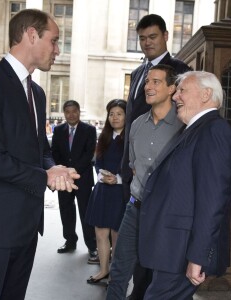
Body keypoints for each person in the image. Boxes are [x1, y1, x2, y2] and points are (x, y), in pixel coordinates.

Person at [0, 9, 80, 300]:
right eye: (54, 41)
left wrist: (55, 169)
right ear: (31, 35)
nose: (57, 49)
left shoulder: (38, 93)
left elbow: (40, 150)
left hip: (27, 225)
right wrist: (44, 176)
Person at [138, 71, 231, 300]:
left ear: (206, 94)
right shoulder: (195, 129)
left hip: (182, 251)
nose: (175, 96)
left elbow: (212, 201)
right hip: (173, 249)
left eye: (182, 90)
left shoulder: (214, 131)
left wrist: (198, 256)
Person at [118, 14, 191, 300]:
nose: (147, 43)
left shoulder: (180, 70)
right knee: (132, 248)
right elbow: (134, 117)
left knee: (154, 253)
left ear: (165, 36)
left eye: (153, 37)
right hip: (136, 169)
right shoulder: (138, 73)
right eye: (143, 38)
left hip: (164, 176)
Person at [107, 64, 184, 299]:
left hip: (166, 215)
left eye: (156, 82)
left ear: (172, 88)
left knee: (158, 276)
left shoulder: (185, 127)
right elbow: (133, 165)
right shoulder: (137, 125)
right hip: (135, 209)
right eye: (147, 81)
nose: (148, 87)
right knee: (119, 271)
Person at [85, 99, 127, 284]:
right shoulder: (104, 137)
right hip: (102, 190)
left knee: (117, 236)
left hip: (120, 193)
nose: (114, 117)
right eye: (111, 114)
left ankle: (116, 275)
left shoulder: (131, 138)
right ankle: (103, 270)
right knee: (100, 234)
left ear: (127, 116)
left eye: (119, 113)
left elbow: (133, 167)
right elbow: (98, 162)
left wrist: (117, 179)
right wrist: (102, 175)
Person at [51, 100, 98, 262]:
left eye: (74, 111)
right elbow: (54, 153)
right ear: (64, 113)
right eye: (67, 112)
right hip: (63, 179)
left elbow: (89, 153)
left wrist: (73, 171)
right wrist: (64, 171)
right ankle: (70, 241)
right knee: (66, 210)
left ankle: (92, 246)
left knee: (86, 212)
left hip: (82, 178)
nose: (71, 114)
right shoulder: (58, 130)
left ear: (79, 112)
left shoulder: (89, 130)